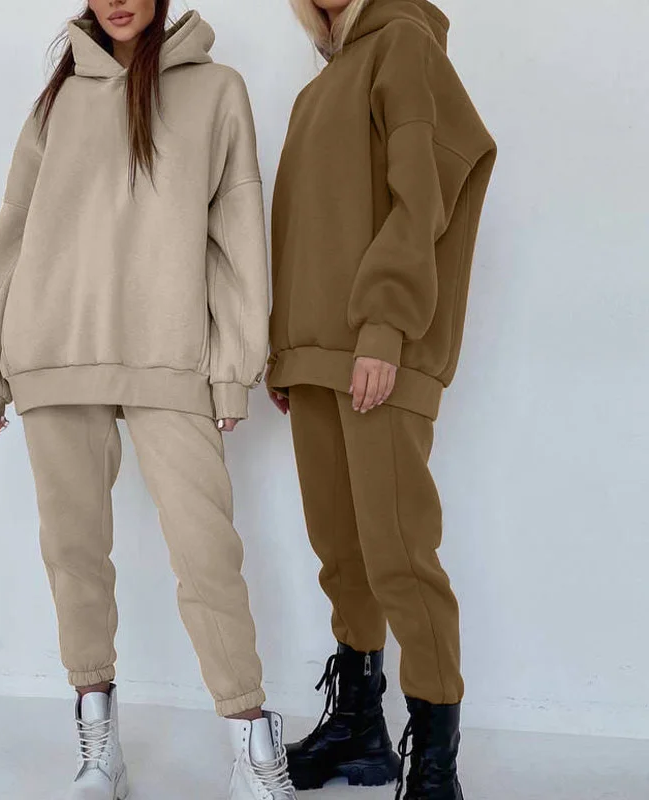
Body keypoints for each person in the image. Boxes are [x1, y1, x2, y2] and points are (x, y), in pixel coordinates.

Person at [0, 2, 296, 799]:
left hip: (168, 355)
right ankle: (99, 747)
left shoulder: (216, 89)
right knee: (73, 552)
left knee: (206, 554)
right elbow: (12, 234)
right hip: (53, 349)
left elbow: (238, 233)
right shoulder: (56, 99)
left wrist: (233, 368)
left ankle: (253, 747)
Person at [267, 0, 496, 798]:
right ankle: (360, 729)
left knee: (400, 554)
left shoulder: (404, 44)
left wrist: (385, 326)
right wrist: (287, 351)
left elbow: (422, 195)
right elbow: (304, 228)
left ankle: (435, 763)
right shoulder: (317, 87)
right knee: (343, 554)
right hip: (318, 357)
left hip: (378, 350)